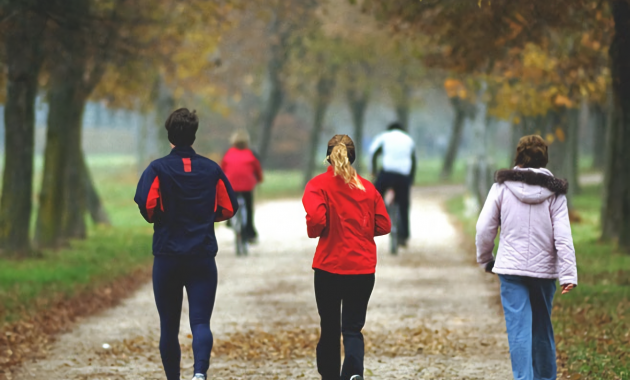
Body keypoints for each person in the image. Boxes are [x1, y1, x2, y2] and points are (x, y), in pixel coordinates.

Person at [134, 108, 238, 380]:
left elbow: (147, 204)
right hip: (201, 256)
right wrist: (206, 216)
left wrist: (158, 217)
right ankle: (200, 373)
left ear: (169, 135)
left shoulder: (157, 168)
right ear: (194, 135)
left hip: (167, 255)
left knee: (168, 326)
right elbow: (229, 208)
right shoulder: (211, 169)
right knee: (201, 321)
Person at [476, 135, 578, 380]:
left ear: (518, 157)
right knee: (542, 328)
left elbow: (484, 228)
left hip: (511, 270)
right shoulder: (555, 192)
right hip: (544, 273)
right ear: (544, 159)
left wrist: (485, 258)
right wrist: (568, 273)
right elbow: (563, 236)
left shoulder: (501, 187)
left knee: (518, 330)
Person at [302, 134, 391, 380]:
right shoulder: (367, 187)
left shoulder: (317, 185)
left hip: (329, 268)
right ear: (352, 156)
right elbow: (383, 224)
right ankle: (353, 373)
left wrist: (315, 230)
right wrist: (361, 231)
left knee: (329, 327)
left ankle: (330, 376)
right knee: (352, 328)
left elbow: (317, 221)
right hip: (362, 269)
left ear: (328, 156)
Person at [369, 121, 416, 247]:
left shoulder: (384, 136)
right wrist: (411, 179)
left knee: (373, 197)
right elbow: (413, 160)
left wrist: (373, 172)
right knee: (404, 205)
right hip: (403, 176)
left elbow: (374, 154)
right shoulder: (408, 139)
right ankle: (404, 235)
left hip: (387, 174)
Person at [221, 129, 263, 242]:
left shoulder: (228, 153)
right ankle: (250, 233)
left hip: (231, 185)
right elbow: (257, 169)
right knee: (248, 208)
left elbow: (222, 169)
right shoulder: (251, 153)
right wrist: (259, 179)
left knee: (230, 202)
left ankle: (230, 220)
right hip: (247, 186)